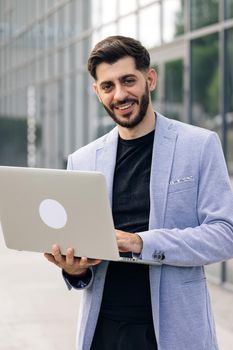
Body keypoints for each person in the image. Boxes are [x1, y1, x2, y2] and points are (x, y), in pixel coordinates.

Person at [44, 36, 233, 350]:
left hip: (174, 334)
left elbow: (225, 235)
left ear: (151, 79)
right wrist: (74, 269)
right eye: (107, 86)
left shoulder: (199, 145)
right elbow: (82, 255)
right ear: (97, 92)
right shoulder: (82, 160)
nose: (119, 94)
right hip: (101, 333)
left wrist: (141, 242)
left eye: (128, 81)